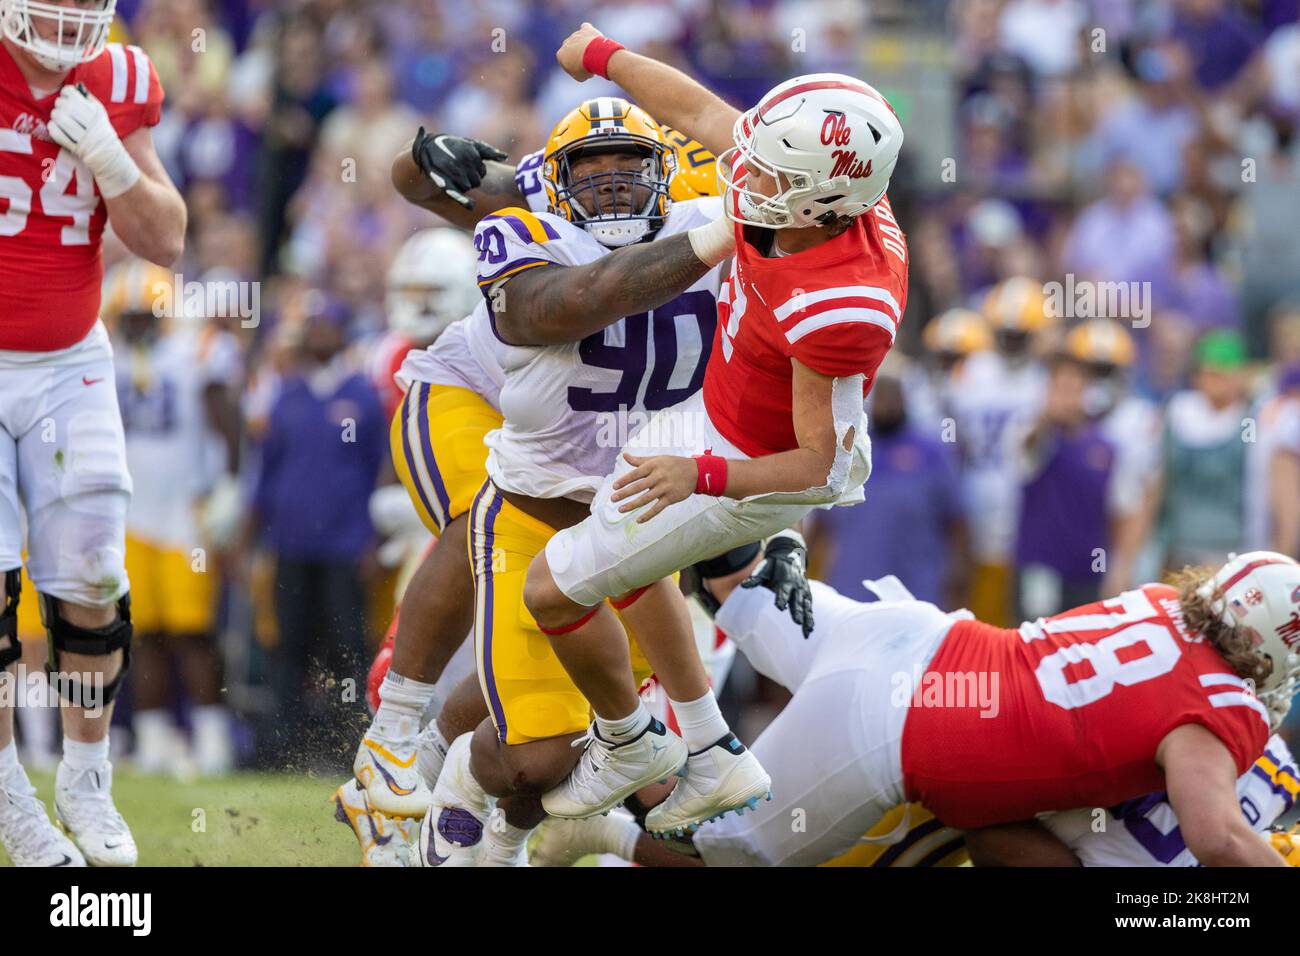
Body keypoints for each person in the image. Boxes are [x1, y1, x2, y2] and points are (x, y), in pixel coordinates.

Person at [518, 25, 908, 839]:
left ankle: (630, 743)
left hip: (755, 459)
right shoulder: (809, 181)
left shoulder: (841, 302)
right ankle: (711, 746)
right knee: (626, 548)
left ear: (823, 201)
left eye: (769, 169)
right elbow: (697, 108)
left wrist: (699, 476)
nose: (744, 167)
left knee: (552, 589)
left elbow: (820, 468)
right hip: (717, 413)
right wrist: (604, 56)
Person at [346, 119, 725, 834]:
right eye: (593, 163)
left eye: (628, 161)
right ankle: (390, 742)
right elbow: (566, 301)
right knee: (484, 510)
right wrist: (422, 158)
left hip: (603, 465)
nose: (612, 176)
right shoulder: (537, 203)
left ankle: (431, 772)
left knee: (553, 690)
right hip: (478, 399)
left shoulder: (712, 194)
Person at [529, 563, 1299, 868]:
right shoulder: (1223, 704)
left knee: (758, 601)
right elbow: (1219, 837)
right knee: (733, 860)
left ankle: (685, 567)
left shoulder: (1166, 605)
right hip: (891, 730)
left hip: (916, 636)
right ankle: (594, 827)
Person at [0, 0, 186, 867]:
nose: (69, 14)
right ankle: (9, 792)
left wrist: (109, 159)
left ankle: (84, 774)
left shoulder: (119, 77)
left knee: (92, 581)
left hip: (70, 359)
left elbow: (168, 240)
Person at [105, 261, 241, 777]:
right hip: (130, 515)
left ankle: (211, 738)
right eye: (128, 316)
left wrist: (229, 484)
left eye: (145, 315)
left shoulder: (195, 352)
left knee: (193, 633)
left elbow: (226, 421)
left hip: (186, 514)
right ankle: (155, 739)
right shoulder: (109, 357)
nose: (136, 324)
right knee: (142, 634)